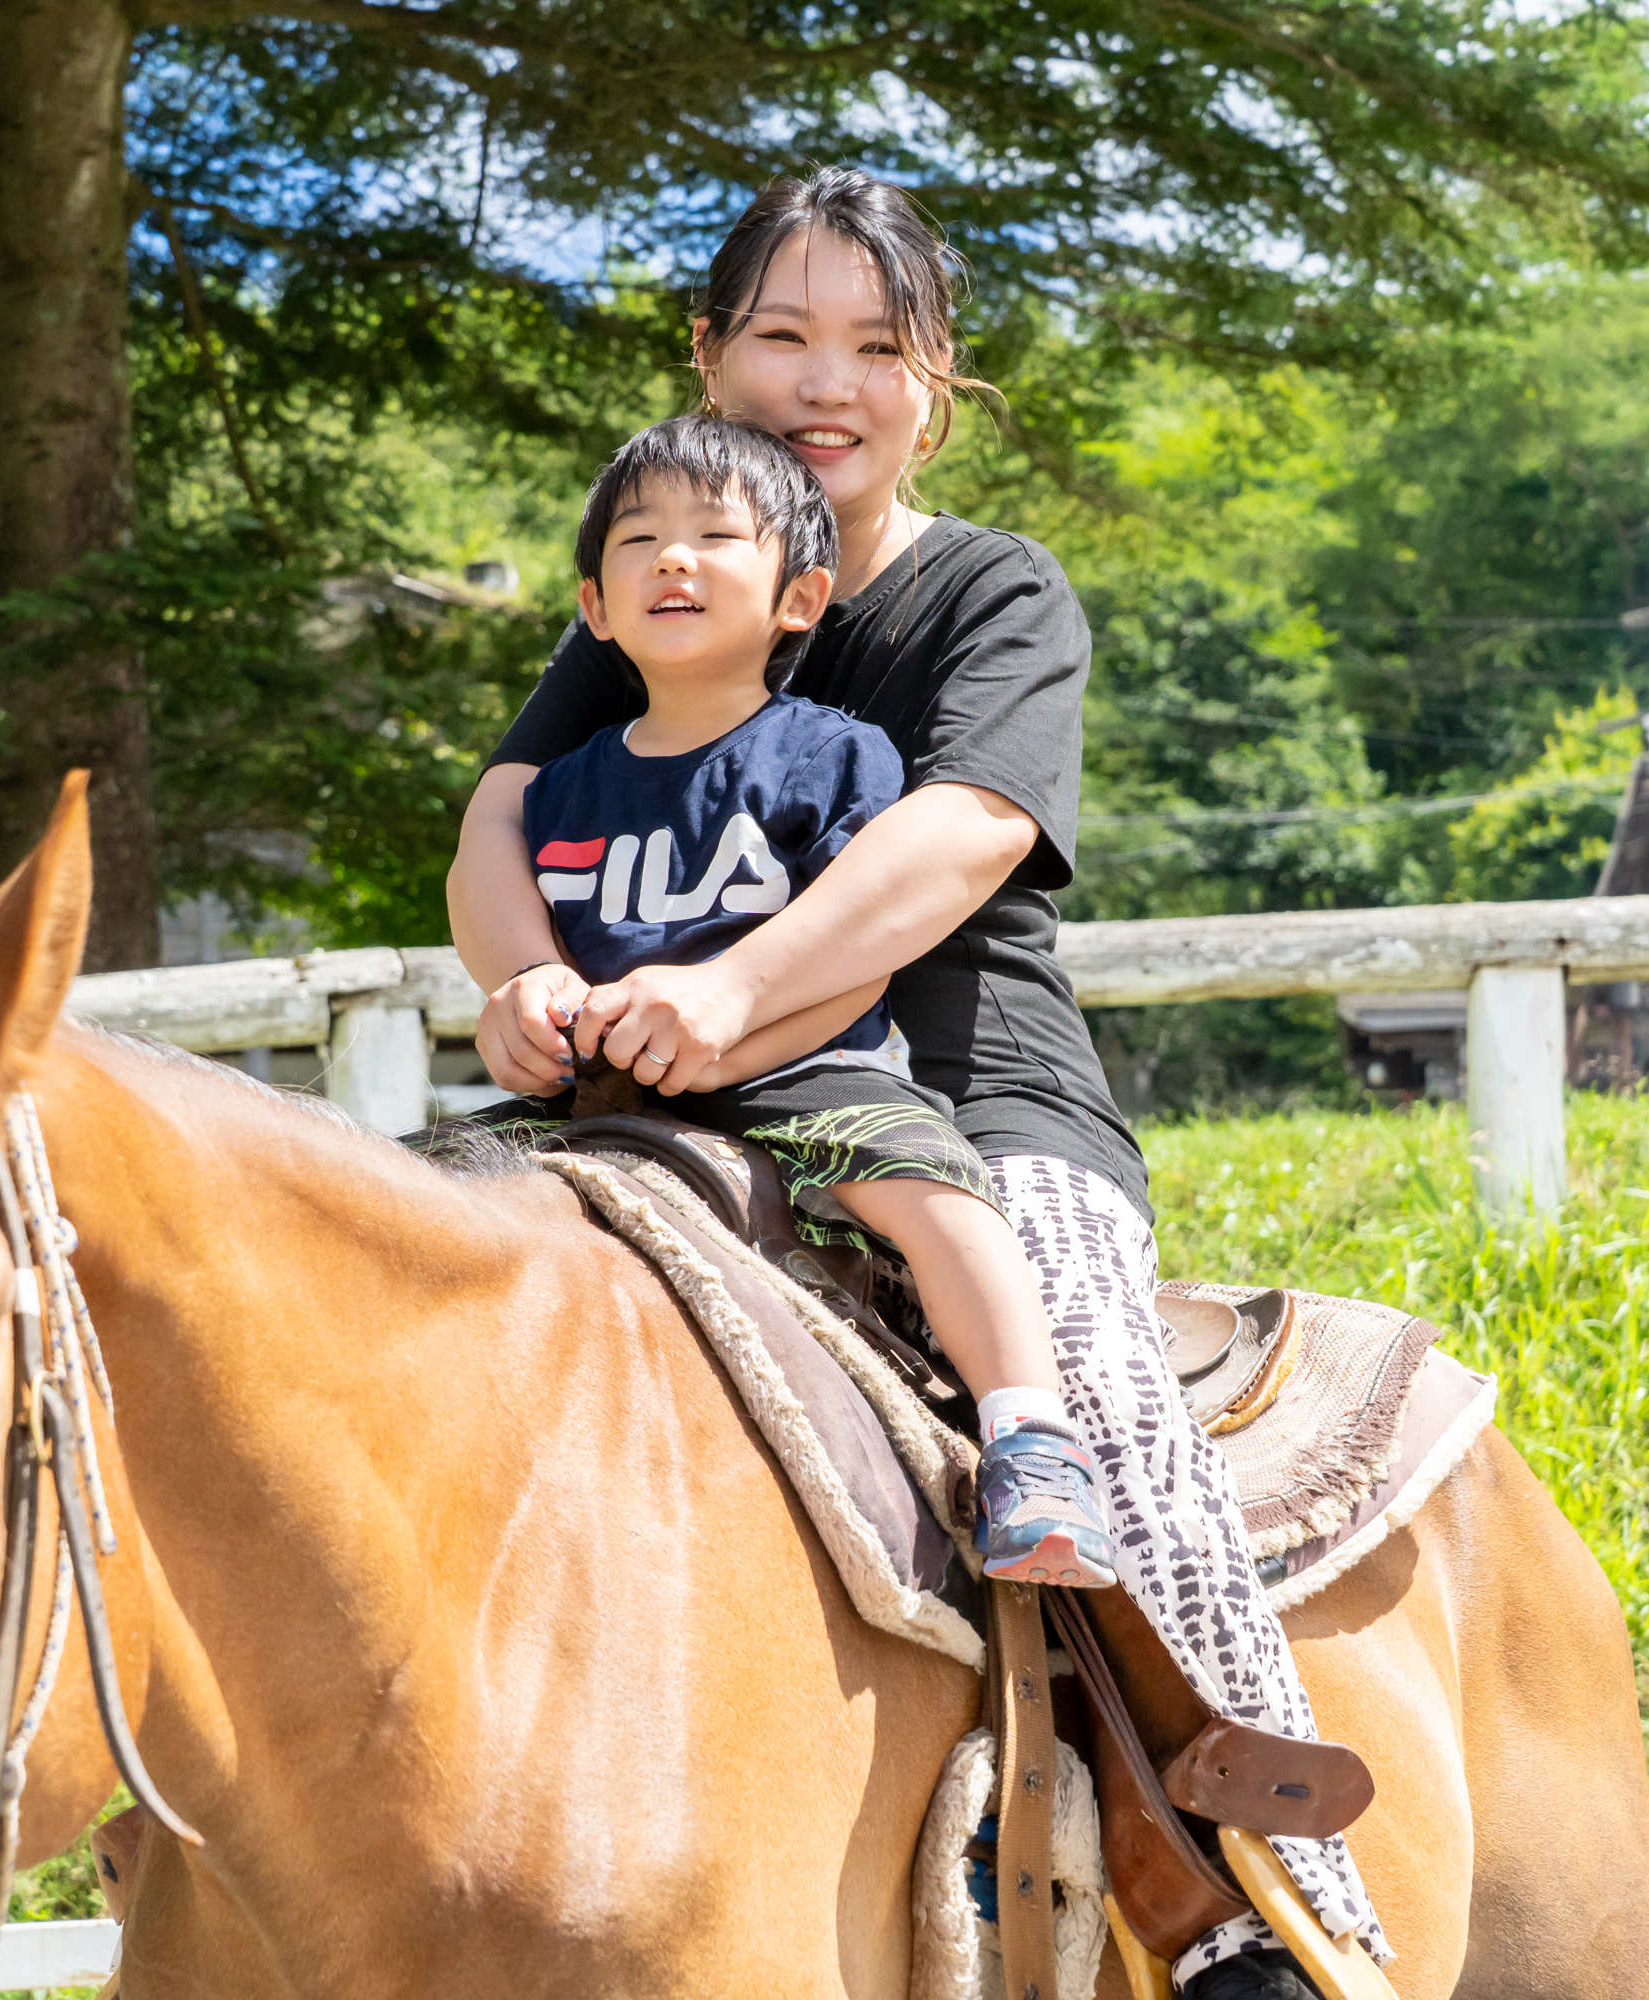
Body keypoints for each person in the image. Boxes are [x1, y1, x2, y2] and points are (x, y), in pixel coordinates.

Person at [446, 168, 1387, 1996]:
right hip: (642, 1091)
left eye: (878, 346)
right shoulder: (657, 583)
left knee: (1091, 1410)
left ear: (935, 384)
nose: (827, 380)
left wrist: (732, 996)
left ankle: (1255, 1912)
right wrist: (528, 985)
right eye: (783, 335)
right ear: (707, 356)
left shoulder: (990, 593)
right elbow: (500, 815)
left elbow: (961, 835)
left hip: (955, 1089)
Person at [465, 410, 1124, 1590]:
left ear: (799, 599)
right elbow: (522, 926)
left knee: (939, 1194)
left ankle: (1034, 1435)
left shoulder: (834, 754)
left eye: (716, 535)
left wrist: (736, 1038)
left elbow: (857, 964)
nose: (675, 557)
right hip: (599, 1087)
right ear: (593, 607)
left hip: (804, 1071)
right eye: (640, 541)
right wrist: (523, 1000)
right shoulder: (559, 788)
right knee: (426, 1188)